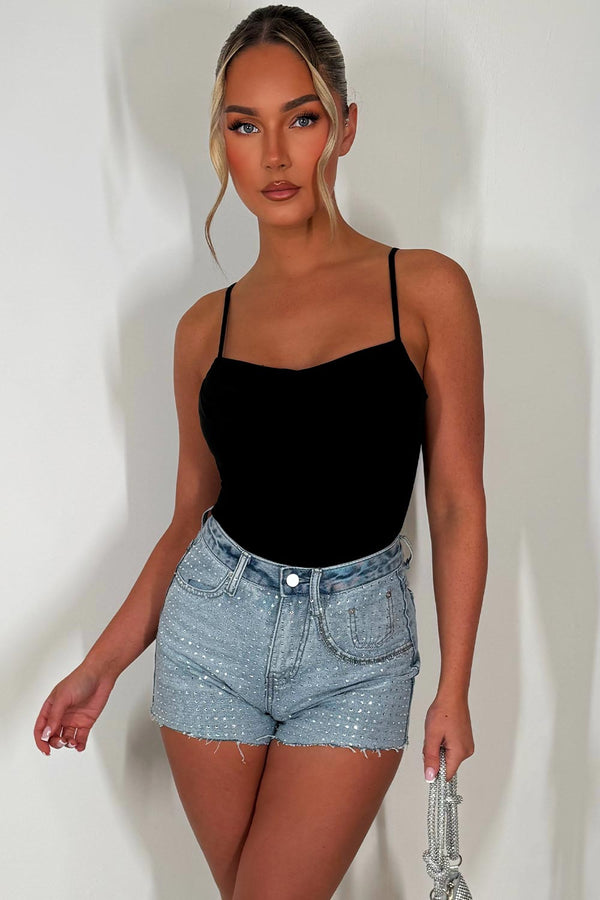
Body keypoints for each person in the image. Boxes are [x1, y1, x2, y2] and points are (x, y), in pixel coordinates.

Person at [34, 5, 487, 898]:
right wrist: (101, 664)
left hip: (358, 658)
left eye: (301, 119)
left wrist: (455, 686)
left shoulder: (426, 289)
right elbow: (188, 519)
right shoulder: (203, 330)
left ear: (344, 127)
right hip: (212, 635)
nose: (274, 155)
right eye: (245, 126)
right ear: (223, 144)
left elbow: (456, 501)